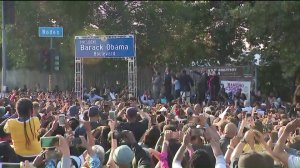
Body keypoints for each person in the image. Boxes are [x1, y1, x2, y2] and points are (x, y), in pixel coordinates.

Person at [1, 98, 42, 162]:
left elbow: (4, 129)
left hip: (19, 156)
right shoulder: (36, 120)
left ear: (17, 111)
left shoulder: (10, 122)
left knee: (5, 145)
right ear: (31, 111)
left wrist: (14, 115)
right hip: (36, 155)